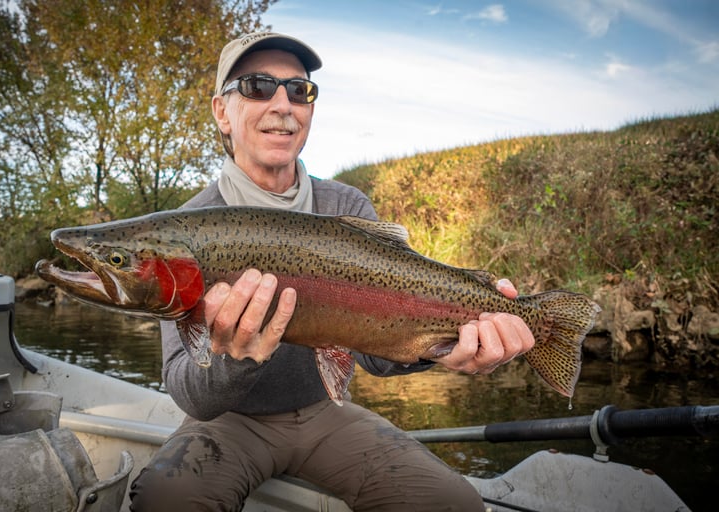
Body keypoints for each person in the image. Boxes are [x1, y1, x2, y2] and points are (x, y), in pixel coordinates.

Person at [129, 32, 535, 512]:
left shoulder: (345, 204)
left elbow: (376, 360)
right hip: (227, 423)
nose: (283, 105)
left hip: (327, 413)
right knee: (165, 501)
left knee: (455, 504)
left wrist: (443, 347)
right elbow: (190, 394)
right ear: (222, 111)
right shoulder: (182, 231)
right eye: (258, 86)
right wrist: (234, 359)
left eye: (300, 90)